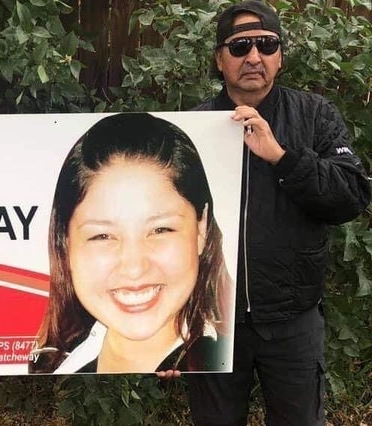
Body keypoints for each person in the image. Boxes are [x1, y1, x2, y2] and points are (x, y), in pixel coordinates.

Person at [184, 1, 371, 425]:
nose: (253, 57)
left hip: (292, 320)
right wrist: (163, 337)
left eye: (266, 45)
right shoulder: (191, 128)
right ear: (219, 59)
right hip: (214, 321)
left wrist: (283, 158)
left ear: (280, 56)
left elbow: (352, 196)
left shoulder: (315, 116)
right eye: (239, 46)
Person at [28, 113, 234, 374]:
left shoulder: (225, 364)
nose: (134, 268)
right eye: (102, 236)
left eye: (160, 230)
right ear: (67, 243)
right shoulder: (51, 362)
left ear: (201, 228)